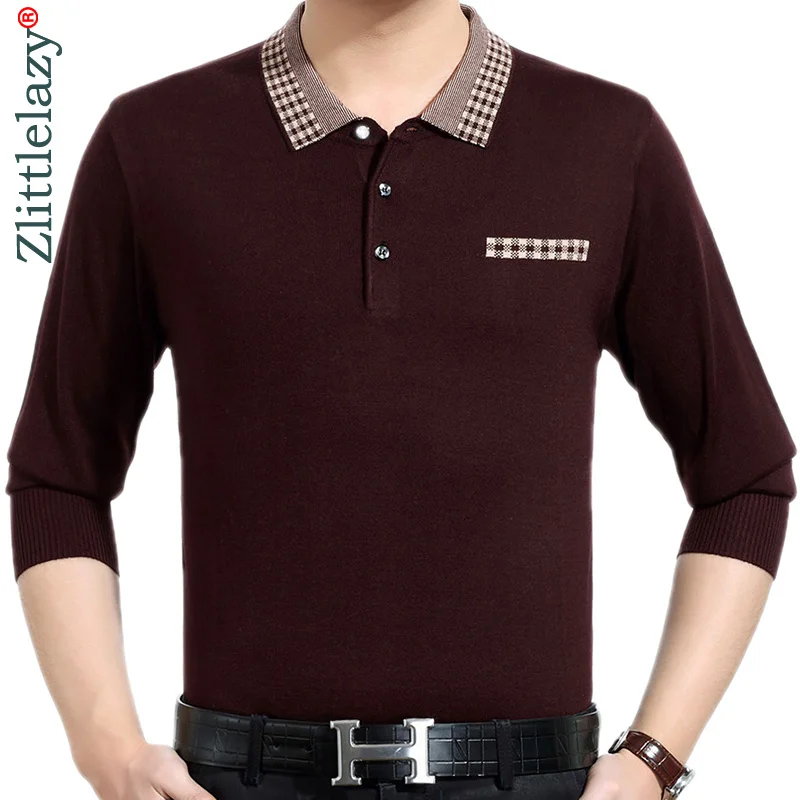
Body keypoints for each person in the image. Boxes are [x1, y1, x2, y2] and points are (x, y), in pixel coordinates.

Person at [6, 1, 796, 799]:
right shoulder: (156, 139)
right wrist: (106, 748)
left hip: (533, 780)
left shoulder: (607, 140)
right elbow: (56, 476)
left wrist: (655, 760)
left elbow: (747, 478)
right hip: (238, 779)